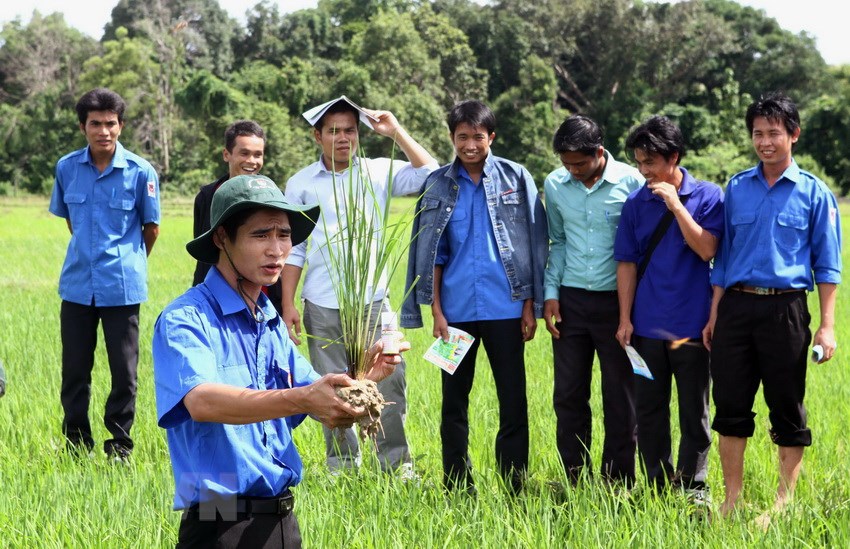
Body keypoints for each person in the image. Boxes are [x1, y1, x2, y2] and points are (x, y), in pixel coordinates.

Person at [152, 174, 409, 547]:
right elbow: (202, 401)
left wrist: (366, 379)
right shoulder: (186, 319)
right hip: (218, 520)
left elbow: (316, 397)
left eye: (284, 234)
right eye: (261, 235)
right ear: (222, 237)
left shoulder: (268, 320)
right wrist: (304, 398)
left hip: (281, 519)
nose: (277, 250)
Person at [703, 92, 841, 518]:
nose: (765, 141)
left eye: (774, 133)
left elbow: (828, 265)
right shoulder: (738, 188)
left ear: (793, 135)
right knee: (730, 406)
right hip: (736, 310)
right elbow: (723, 260)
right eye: (758, 133)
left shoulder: (814, 193)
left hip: (787, 312)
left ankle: (783, 503)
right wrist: (714, 314)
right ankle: (731, 499)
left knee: (786, 404)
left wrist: (827, 326)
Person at [282, 96, 438, 474]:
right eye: (333, 131)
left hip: (374, 303)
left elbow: (431, 172)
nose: (342, 138)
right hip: (321, 304)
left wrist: (395, 131)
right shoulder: (300, 184)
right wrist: (287, 304)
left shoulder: (377, 171)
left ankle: (396, 465)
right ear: (317, 136)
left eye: (350, 130)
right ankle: (342, 466)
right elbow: (293, 247)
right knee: (332, 386)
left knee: (391, 381)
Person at [401, 100, 548, 494]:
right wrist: (435, 311)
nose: (470, 145)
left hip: (506, 308)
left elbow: (535, 244)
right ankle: (457, 485)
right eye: (462, 137)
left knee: (513, 401)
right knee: (453, 404)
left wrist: (530, 305)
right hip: (455, 313)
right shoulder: (436, 183)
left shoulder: (516, 177)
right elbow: (431, 251)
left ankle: (514, 484)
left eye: (477, 137)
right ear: (452, 137)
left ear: (491, 138)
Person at [614, 115, 723, 503]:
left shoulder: (709, 197)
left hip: (691, 328)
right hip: (645, 329)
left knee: (695, 412)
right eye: (639, 162)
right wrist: (625, 319)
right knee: (650, 413)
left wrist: (677, 206)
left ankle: (693, 488)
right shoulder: (635, 203)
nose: (644, 171)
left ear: (673, 157)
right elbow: (626, 264)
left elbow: (708, 249)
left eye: (651, 163)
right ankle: (658, 488)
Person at [48, 88, 160, 460]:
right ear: (83, 127)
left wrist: (127, 263)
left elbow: (151, 228)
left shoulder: (141, 171)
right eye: (95, 124)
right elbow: (70, 220)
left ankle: (119, 447)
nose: (104, 131)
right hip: (77, 286)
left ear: (121, 125)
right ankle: (77, 445)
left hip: (122, 287)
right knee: (75, 371)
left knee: (124, 374)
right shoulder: (66, 167)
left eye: (111, 123)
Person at [543, 114, 643, 486]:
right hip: (570, 303)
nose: (572, 171)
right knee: (568, 395)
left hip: (616, 306)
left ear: (599, 152)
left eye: (579, 164)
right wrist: (551, 294)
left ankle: (617, 482)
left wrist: (630, 313)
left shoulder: (631, 182)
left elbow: (637, 251)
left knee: (620, 396)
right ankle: (574, 477)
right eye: (566, 164)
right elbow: (559, 241)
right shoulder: (555, 184)